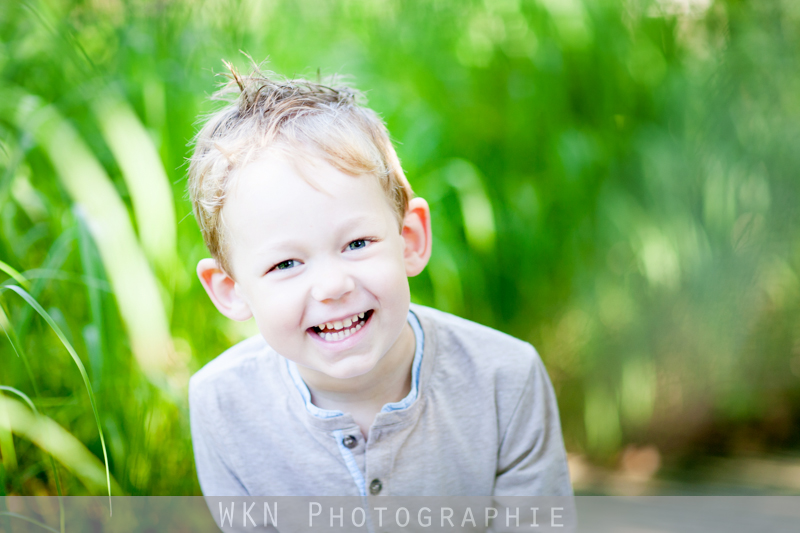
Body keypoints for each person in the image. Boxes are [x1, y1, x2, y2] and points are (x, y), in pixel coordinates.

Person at [187, 62, 572, 498]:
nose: (333, 286)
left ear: (409, 239)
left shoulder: (506, 381)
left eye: (356, 243)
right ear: (231, 290)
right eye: (287, 264)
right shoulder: (221, 404)